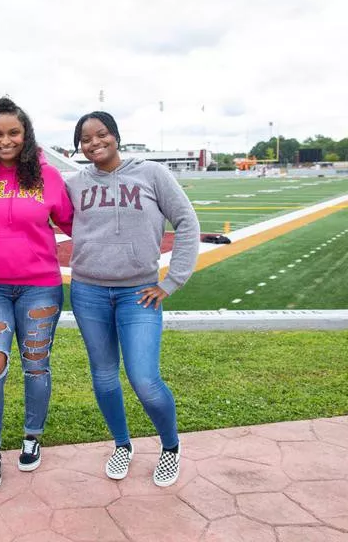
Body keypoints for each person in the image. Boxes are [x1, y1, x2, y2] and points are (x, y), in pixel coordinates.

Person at [66, 111, 199, 487]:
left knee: (144, 378)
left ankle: (170, 447)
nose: (94, 143)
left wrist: (171, 282)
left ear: (116, 135)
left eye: (101, 134)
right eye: (85, 139)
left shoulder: (152, 174)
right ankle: (122, 444)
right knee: (104, 377)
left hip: (138, 293)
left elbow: (187, 221)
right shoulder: (74, 183)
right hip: (88, 291)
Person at [0, 97, 73, 491]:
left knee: (36, 364)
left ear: (25, 135)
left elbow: (77, 224)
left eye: (13, 132)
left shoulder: (48, 177)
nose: (5, 140)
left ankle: (32, 437)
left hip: (40, 286)